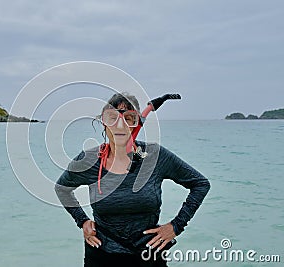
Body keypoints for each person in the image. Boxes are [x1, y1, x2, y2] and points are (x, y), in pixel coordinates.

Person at [55, 92, 210, 267]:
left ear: (136, 124)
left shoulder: (154, 156)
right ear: (103, 123)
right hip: (102, 254)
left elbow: (200, 184)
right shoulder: (89, 160)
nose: (120, 125)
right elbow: (62, 187)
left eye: (129, 119)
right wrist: (82, 220)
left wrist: (176, 226)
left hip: (148, 255)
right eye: (112, 118)